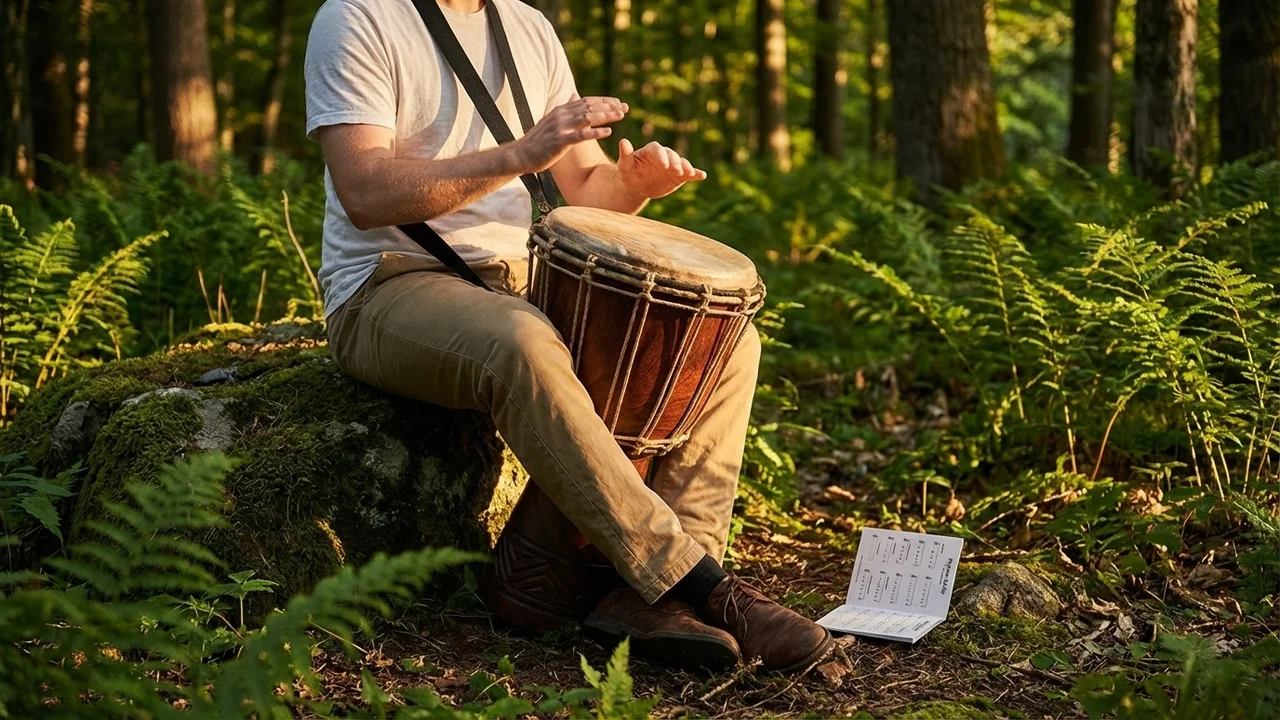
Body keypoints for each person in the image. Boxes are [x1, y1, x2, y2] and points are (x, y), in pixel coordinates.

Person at [304, 0, 833, 673]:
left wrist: (632, 185)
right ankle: (703, 587)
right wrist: (520, 153)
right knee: (522, 341)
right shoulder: (357, 18)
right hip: (388, 284)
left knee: (723, 345)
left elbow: (584, 188)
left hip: (524, 277)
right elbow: (366, 190)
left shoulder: (528, 27)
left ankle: (647, 597)